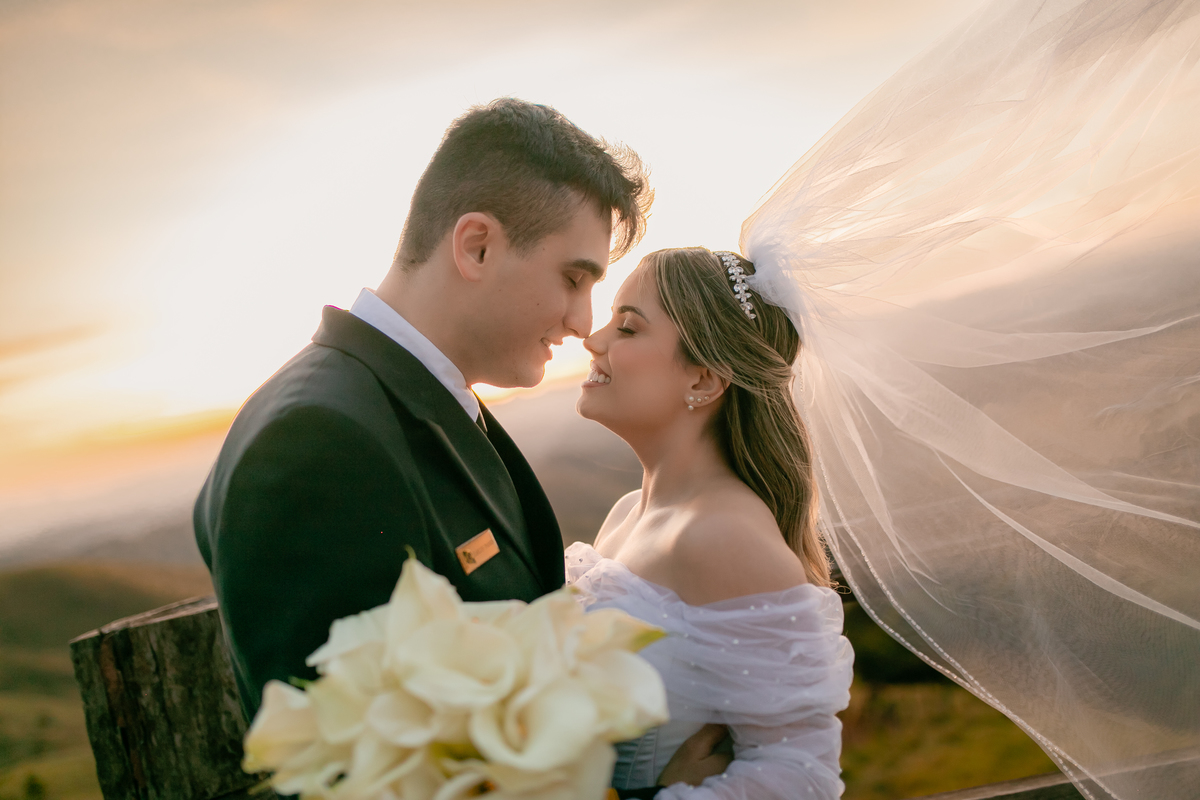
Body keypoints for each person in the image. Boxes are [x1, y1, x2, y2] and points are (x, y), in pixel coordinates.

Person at [570, 248, 854, 799]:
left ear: (703, 377)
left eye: (627, 327)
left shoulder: (725, 537)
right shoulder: (629, 513)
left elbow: (801, 775)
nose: (594, 340)